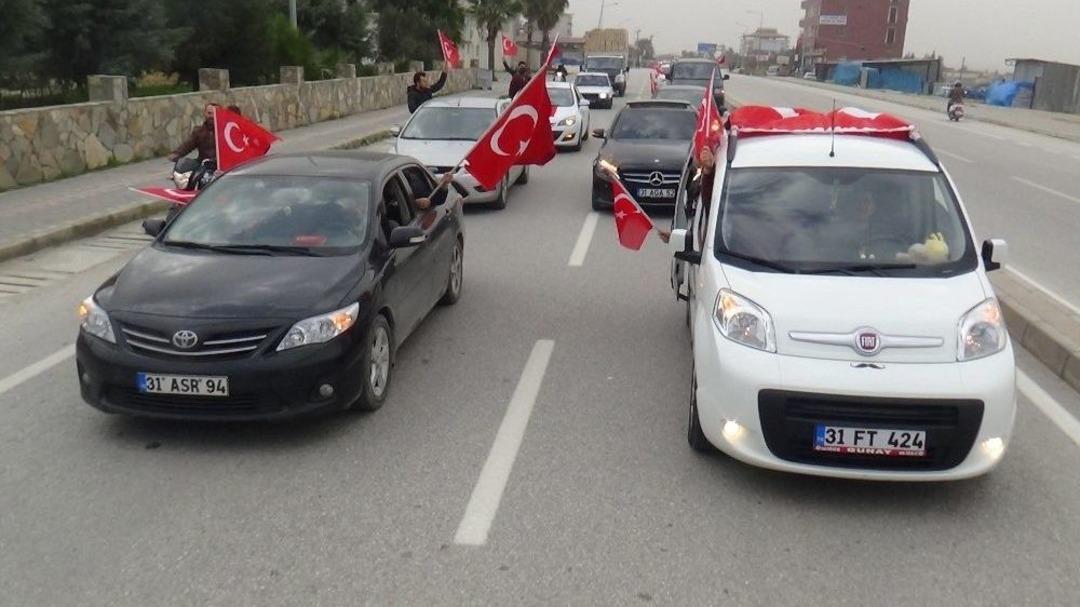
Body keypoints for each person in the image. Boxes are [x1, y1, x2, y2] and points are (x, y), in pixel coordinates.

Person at [657, 146, 717, 244]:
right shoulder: (697, 182)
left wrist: (709, 172)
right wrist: (676, 239)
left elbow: (709, 203)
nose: (696, 163)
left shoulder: (713, 182)